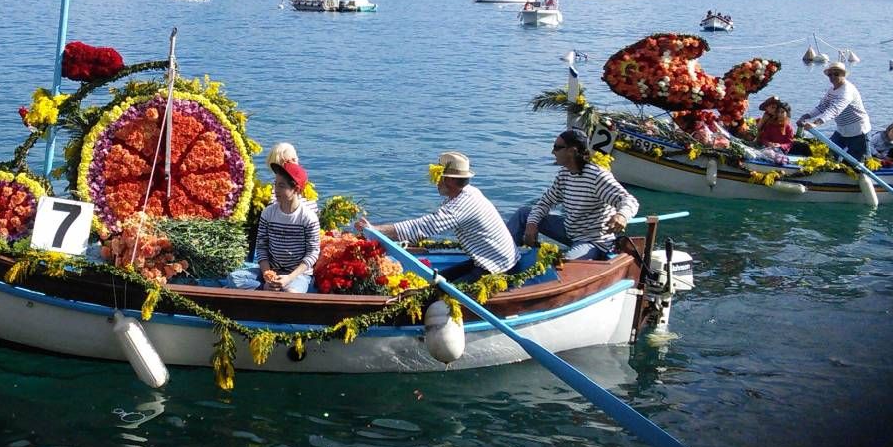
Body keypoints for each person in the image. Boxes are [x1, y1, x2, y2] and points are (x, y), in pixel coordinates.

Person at [358, 151, 515, 282]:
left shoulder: (462, 205)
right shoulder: (469, 192)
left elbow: (422, 227)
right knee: (433, 281)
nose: (436, 182)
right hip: (486, 261)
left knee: (435, 294)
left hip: (496, 268)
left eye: (439, 176)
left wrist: (374, 230)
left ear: (451, 180)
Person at [508, 129, 639, 261]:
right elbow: (545, 202)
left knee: (564, 263)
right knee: (523, 214)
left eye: (557, 148)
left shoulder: (597, 176)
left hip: (593, 240)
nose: (552, 152)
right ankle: (504, 257)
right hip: (569, 230)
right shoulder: (565, 173)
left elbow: (629, 200)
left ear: (572, 151)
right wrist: (532, 224)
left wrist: (621, 215)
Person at [228, 158, 319, 293]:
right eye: (275, 184)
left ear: (296, 189)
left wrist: (288, 278)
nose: (276, 190)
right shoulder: (268, 213)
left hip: (297, 275)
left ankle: (269, 291)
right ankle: (264, 289)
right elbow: (261, 247)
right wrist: (267, 276)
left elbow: (312, 253)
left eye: (281, 186)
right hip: (271, 270)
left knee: (291, 293)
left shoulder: (308, 218)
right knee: (234, 278)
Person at [797, 62, 871, 160]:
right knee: (828, 154)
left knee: (857, 163)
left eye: (836, 74)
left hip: (858, 132)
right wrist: (805, 116)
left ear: (843, 75)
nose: (832, 77)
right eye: (830, 74)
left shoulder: (847, 91)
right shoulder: (831, 90)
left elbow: (835, 109)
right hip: (841, 131)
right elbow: (822, 107)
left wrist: (816, 123)